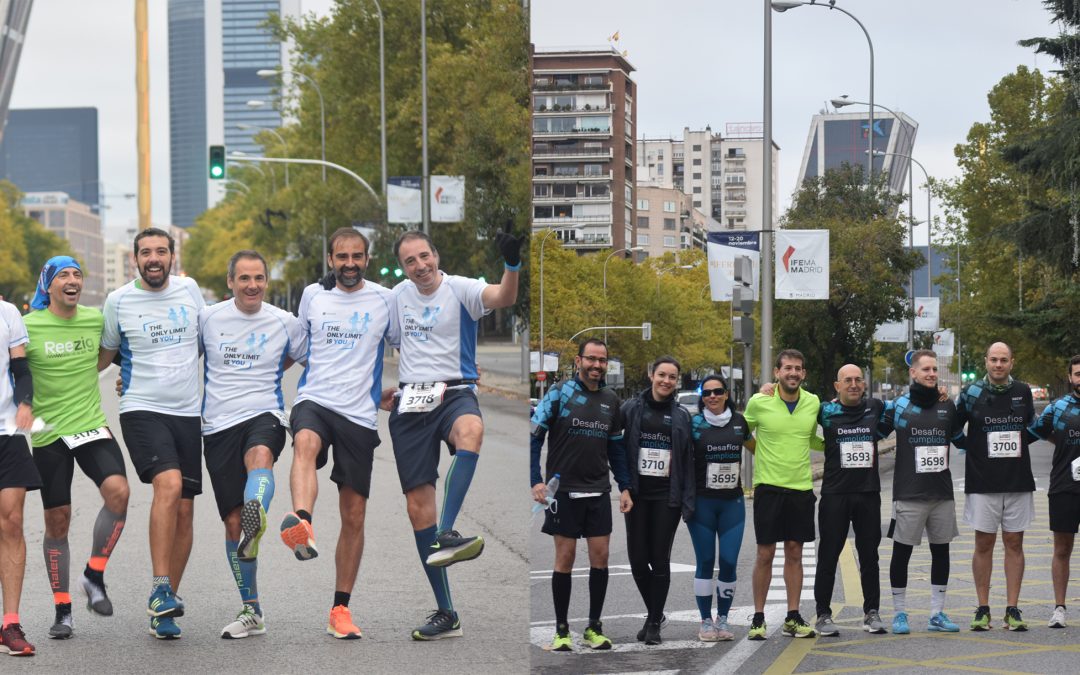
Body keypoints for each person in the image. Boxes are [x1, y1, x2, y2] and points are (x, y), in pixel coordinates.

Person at [386, 229, 521, 640]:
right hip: (410, 402)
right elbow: (375, 338)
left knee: (472, 429)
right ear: (404, 267)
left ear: (436, 256)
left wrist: (511, 263)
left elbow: (503, 298)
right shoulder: (396, 297)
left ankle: (448, 529)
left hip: (456, 391)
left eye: (424, 257)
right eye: (410, 261)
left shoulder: (460, 289)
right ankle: (447, 613)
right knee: (416, 509)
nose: (420, 266)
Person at [279, 227, 393, 640]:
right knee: (305, 442)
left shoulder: (386, 299)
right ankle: (303, 522)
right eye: (341, 257)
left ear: (367, 258)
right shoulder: (313, 295)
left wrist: (446, 381)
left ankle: (340, 610)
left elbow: (412, 342)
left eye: (357, 256)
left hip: (359, 415)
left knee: (354, 514)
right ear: (330, 260)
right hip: (316, 399)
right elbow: (294, 347)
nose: (349, 264)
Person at [99, 227, 205, 639]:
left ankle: (165, 606)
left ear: (173, 256)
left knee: (185, 508)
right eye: (146, 252)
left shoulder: (190, 290)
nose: (154, 258)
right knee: (169, 485)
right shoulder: (119, 301)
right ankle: (161, 585)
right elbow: (104, 357)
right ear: (135, 259)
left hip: (187, 413)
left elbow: (204, 340)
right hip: (142, 409)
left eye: (161, 251)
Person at [199, 250, 306, 639]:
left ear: (266, 281)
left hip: (265, 413)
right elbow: (177, 360)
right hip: (216, 426)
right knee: (232, 525)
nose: (252, 285)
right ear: (230, 282)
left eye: (258, 278)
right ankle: (252, 611)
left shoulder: (284, 321)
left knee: (260, 456)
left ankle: (256, 509)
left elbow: (315, 358)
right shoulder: (209, 318)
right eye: (244, 278)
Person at [23, 257, 130, 639]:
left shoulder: (94, 319)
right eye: (63, 276)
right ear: (47, 286)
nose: (72, 280)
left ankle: (94, 574)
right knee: (58, 520)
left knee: (119, 491)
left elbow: (109, 357)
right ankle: (62, 609)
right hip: (49, 433)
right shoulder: (28, 326)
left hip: (89, 425)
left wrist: (120, 380)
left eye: (77, 274)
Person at [530, 338, 631, 652]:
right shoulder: (560, 394)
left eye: (602, 360)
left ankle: (594, 626)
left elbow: (616, 449)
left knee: (600, 558)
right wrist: (536, 481)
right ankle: (561, 630)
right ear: (578, 361)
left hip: (598, 490)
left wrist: (624, 486)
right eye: (591, 359)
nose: (597, 365)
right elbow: (535, 437)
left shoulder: (611, 400)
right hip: (564, 492)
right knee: (565, 558)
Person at [956, 342, 1035, 632]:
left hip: (1017, 481)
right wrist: (972, 449)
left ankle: (1012, 608)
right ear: (986, 361)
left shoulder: (1023, 391)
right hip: (982, 482)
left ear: (1011, 362)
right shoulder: (971, 392)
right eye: (993, 360)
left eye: (1003, 360)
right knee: (983, 544)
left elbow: (1033, 428)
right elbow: (952, 426)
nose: (998, 364)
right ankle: (983, 608)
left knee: (1014, 543)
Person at [886, 349, 966, 635]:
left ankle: (937, 613)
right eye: (926, 369)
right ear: (913, 373)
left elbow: (961, 440)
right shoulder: (898, 405)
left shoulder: (948, 404)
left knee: (941, 552)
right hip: (909, 493)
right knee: (901, 553)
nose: (932, 374)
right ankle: (899, 613)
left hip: (942, 493)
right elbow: (872, 429)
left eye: (935, 369)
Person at [743, 349, 821, 640]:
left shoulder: (812, 402)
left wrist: (836, 450)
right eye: (787, 368)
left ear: (804, 374)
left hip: (801, 488)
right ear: (777, 372)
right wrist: (759, 451)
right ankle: (758, 617)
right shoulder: (759, 402)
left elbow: (812, 437)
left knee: (795, 553)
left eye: (798, 369)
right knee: (765, 553)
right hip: (769, 488)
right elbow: (743, 432)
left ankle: (792, 615)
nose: (793, 373)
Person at [616, 355, 694, 646]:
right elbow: (614, 443)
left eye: (672, 377)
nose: (666, 381)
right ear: (651, 375)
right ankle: (656, 613)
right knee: (638, 561)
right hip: (636, 494)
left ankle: (653, 624)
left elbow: (689, 457)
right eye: (662, 374)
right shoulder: (631, 408)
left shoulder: (682, 415)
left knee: (659, 560)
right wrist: (622, 485)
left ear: (677, 381)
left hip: (667, 496)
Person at [812, 364, 893, 636]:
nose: (854, 384)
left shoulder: (876, 406)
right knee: (828, 555)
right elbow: (793, 408)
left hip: (868, 493)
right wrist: (768, 390)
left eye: (858, 379)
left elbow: (908, 404)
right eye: (848, 380)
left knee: (869, 555)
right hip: (835, 493)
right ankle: (823, 614)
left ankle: (872, 613)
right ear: (837, 386)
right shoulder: (825, 411)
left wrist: (938, 392)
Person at [686, 374, 753, 641]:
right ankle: (705, 621)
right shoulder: (694, 424)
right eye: (706, 393)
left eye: (717, 391)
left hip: (732, 505)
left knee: (728, 562)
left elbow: (758, 449)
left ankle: (723, 620)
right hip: (702, 504)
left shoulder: (739, 422)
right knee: (704, 562)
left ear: (727, 394)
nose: (712, 396)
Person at [0, 299, 42, 656]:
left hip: (6, 433)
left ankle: (9, 623)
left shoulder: (8, 313)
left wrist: (25, 402)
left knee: (12, 521)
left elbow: (21, 369)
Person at [1028, 354, 1080, 629]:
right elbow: (1037, 430)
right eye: (1078, 374)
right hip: (1064, 486)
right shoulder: (1058, 407)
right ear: (1071, 377)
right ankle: (1059, 608)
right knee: (1062, 548)